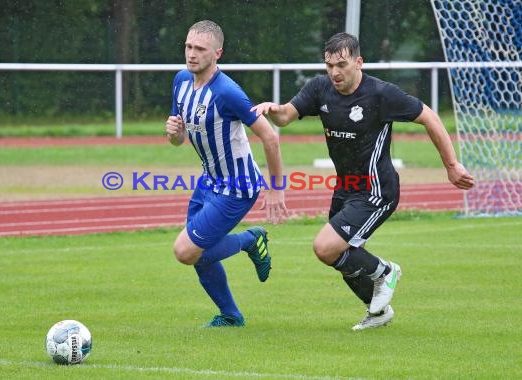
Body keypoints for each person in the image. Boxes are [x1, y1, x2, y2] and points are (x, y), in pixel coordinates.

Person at [251, 32, 474, 330]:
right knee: (341, 255)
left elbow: (429, 117)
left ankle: (386, 271)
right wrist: (274, 109)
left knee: (325, 247)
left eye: (341, 65)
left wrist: (451, 164)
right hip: (346, 188)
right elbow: (285, 117)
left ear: (359, 62)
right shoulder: (320, 88)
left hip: (377, 190)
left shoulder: (381, 94)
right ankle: (378, 312)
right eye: (329, 65)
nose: (334, 72)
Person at [165, 20, 288, 328]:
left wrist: (276, 189)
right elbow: (179, 139)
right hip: (208, 181)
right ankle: (231, 316)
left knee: (185, 250)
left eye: (200, 49)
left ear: (217, 53)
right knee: (198, 253)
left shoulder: (227, 92)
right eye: (188, 47)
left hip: (238, 185)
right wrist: (174, 134)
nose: (191, 54)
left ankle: (249, 240)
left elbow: (270, 137)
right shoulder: (181, 81)